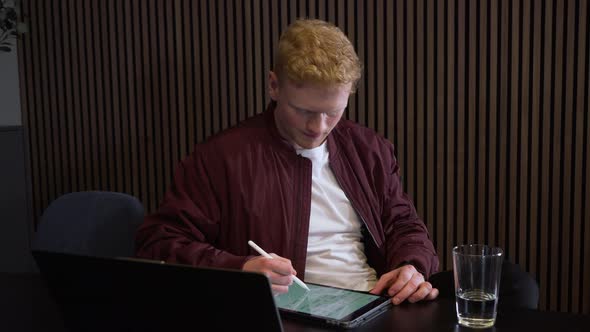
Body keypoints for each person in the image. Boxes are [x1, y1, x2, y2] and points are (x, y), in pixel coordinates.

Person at [135, 18, 441, 305]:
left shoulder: (369, 149)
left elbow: (403, 224)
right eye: (304, 111)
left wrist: (411, 265)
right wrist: (241, 269)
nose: (318, 127)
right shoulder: (221, 158)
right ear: (273, 86)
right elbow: (160, 243)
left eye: (332, 112)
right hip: (285, 312)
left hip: (372, 303)